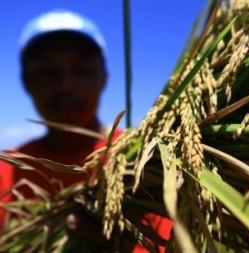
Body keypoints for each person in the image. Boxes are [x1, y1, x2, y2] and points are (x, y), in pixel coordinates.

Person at [0, 9, 171, 252]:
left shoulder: (145, 162)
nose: (64, 86)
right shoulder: (6, 171)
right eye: (47, 72)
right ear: (26, 82)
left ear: (104, 78)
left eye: (81, 69)